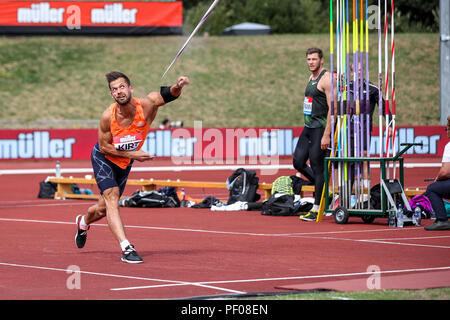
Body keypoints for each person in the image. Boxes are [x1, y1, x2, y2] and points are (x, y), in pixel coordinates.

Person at [75, 71, 190, 263]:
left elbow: (169, 94)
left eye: (121, 87)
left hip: (123, 162)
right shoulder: (107, 117)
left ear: (130, 88)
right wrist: (133, 154)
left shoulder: (146, 105)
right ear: (111, 95)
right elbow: (104, 147)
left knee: (103, 209)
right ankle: (126, 248)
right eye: (114, 89)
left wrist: (179, 85)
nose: (119, 91)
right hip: (104, 158)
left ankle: (83, 222)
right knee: (112, 198)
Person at [294, 48, 336, 221]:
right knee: (298, 161)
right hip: (308, 128)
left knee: (318, 167)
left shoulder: (326, 79)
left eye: (314, 59)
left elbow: (332, 109)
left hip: (320, 128)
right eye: (308, 59)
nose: (311, 62)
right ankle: (325, 192)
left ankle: (317, 207)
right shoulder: (310, 78)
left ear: (322, 61)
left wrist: (327, 135)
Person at [424, 116, 450, 231]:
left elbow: (445, 172)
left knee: (432, 188)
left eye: (447, 129)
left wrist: (437, 179)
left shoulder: (449, 146)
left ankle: (442, 220)